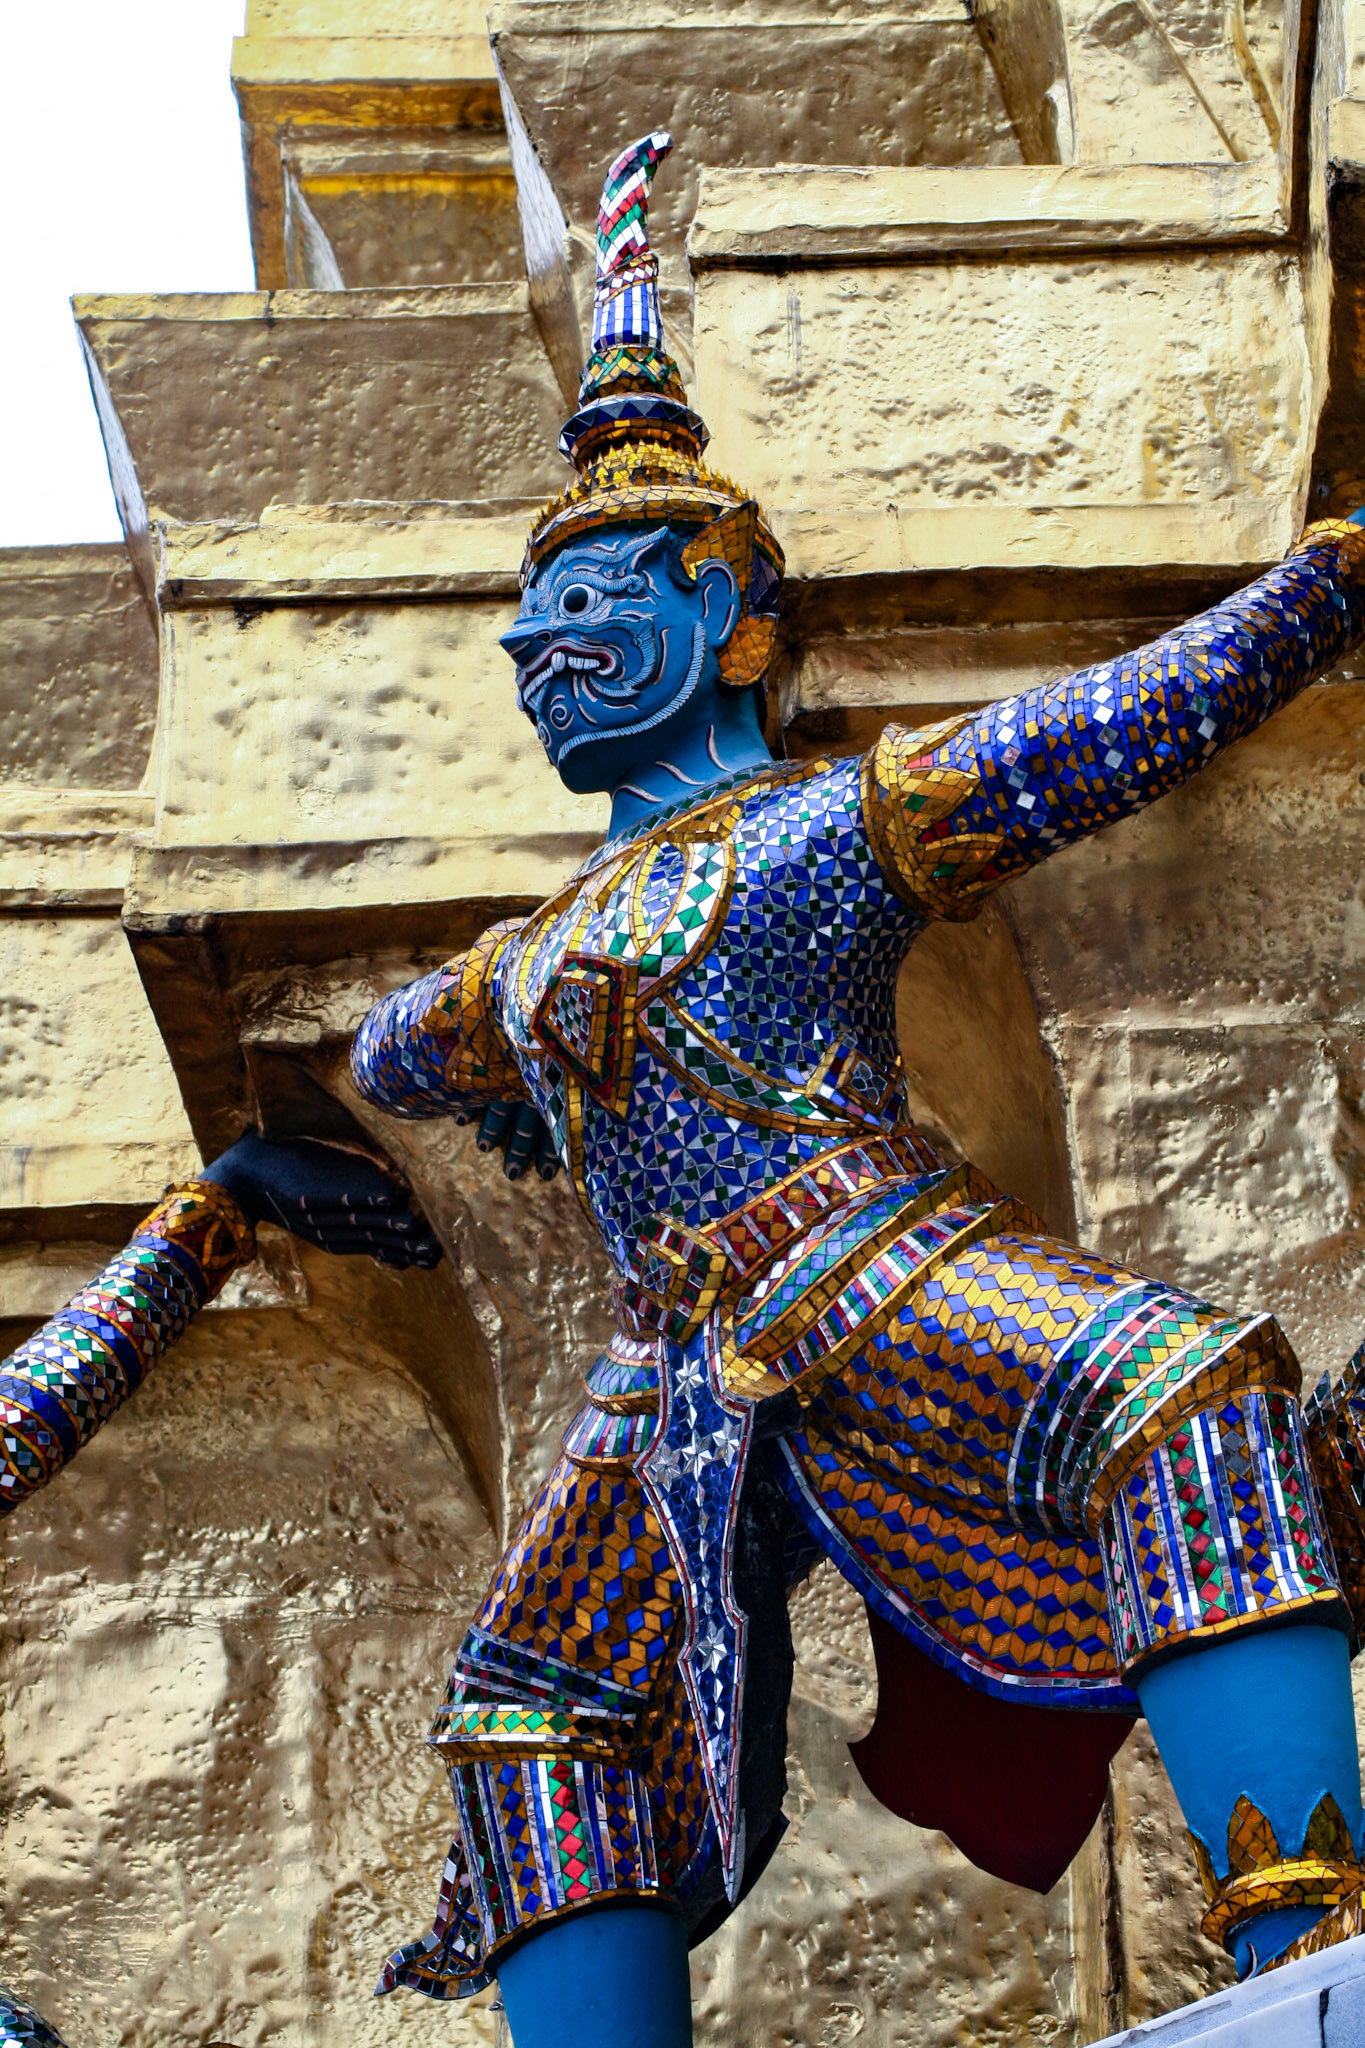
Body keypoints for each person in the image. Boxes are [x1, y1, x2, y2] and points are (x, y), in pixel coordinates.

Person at [6, 127, 1365, 2048]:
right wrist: (287, 1163)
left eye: (593, 598)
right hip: (670, 1363)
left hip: (873, 1258)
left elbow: (1097, 732)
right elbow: (397, 1048)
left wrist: (1318, 591)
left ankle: (1305, 1955)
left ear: (731, 617)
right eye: (529, 622)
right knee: (530, 1712)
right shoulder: (512, 962)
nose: (533, 646)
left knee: (1178, 1395)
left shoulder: (816, 837)